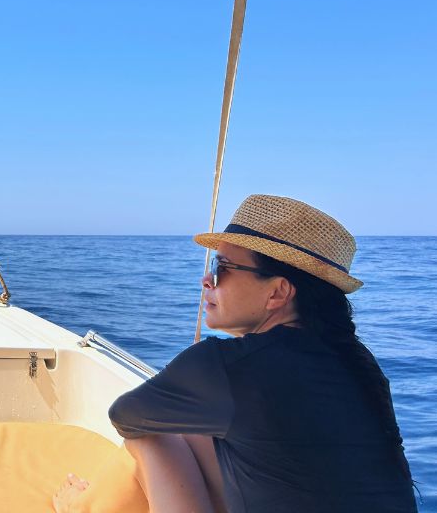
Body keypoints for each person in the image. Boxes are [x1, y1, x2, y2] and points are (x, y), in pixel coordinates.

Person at [53, 194, 418, 513]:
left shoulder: (224, 366)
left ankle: (81, 508)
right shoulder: (359, 365)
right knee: (195, 431)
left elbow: (125, 416)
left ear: (277, 293)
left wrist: (190, 380)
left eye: (223, 268)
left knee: (149, 435)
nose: (207, 280)